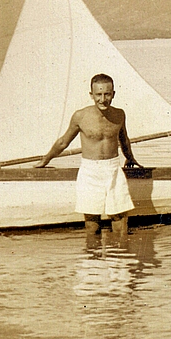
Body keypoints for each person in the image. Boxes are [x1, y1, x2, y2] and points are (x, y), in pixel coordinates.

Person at [35, 74, 141, 239]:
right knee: (92, 223)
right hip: (90, 171)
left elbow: (124, 139)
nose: (103, 99)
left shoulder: (120, 114)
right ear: (91, 95)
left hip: (113, 168)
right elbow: (63, 142)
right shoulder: (80, 116)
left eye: (107, 94)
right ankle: (93, 262)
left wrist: (130, 157)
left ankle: (119, 260)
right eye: (98, 94)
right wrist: (46, 159)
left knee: (119, 219)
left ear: (113, 93)